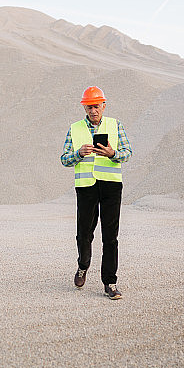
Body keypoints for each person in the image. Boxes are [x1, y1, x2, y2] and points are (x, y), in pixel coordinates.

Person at [60, 86, 132, 299]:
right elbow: (64, 159)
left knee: (110, 237)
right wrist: (78, 154)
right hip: (86, 187)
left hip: (111, 186)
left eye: (97, 106)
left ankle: (110, 282)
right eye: (89, 107)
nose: (93, 110)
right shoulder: (74, 129)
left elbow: (128, 153)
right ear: (85, 107)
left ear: (104, 106)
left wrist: (112, 153)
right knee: (84, 233)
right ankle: (83, 265)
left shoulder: (115, 125)